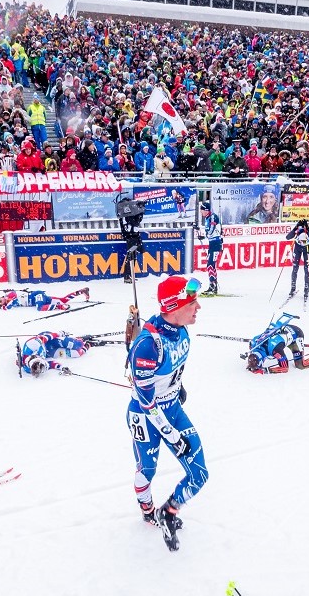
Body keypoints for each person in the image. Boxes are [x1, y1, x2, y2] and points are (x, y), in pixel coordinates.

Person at [126, 276, 206, 552]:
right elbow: (147, 403)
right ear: (173, 306)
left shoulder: (181, 330)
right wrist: (170, 433)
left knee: (199, 474)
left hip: (172, 407)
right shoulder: (149, 344)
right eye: (192, 302)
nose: (198, 307)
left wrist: (178, 387)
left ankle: (168, 511)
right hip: (146, 416)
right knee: (147, 469)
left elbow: (173, 370)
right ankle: (148, 509)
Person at [244, 314, 309, 374]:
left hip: (295, 334)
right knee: (280, 343)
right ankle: (286, 342)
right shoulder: (253, 343)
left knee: (301, 365)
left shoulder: (275, 351)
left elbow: (284, 368)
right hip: (282, 332)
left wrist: (265, 371)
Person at [20, 330, 99, 377]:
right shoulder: (31, 368)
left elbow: (47, 337)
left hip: (49, 341)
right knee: (76, 353)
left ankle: (81, 340)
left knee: (77, 345)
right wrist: (62, 367)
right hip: (49, 352)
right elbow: (51, 364)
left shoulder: (32, 345)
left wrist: (59, 334)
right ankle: (88, 345)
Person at [195, 201, 223, 296]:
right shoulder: (207, 218)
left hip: (216, 243)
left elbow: (211, 231)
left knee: (210, 264)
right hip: (212, 243)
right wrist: (201, 234)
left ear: (206, 210)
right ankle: (213, 286)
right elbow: (209, 233)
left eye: (202, 210)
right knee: (211, 265)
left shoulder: (212, 217)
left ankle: (212, 286)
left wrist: (205, 234)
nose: (201, 212)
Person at [285, 219, 309, 301]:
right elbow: (287, 237)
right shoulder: (298, 229)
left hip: (307, 249)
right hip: (297, 249)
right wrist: (295, 229)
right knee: (295, 268)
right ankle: (293, 288)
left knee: (307, 270)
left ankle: (306, 290)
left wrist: (308, 230)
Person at [0, 287, 90, 310]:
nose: (3, 302)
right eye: (1, 303)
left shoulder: (10, 297)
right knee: (63, 299)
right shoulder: (8, 300)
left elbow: (11, 304)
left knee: (40, 308)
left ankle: (60, 307)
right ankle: (82, 291)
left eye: (1, 300)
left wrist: (3, 307)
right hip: (39, 297)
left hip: (37, 296)